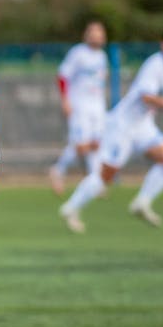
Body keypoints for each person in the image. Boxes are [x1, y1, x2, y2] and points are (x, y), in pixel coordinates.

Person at [59, 28, 163, 233]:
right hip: (122, 126)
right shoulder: (155, 64)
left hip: (143, 125)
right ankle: (70, 208)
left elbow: (161, 96)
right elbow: (147, 97)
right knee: (105, 175)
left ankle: (142, 202)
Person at [49, 20, 109, 195]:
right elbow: (62, 76)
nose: (96, 36)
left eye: (99, 32)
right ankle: (58, 170)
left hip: (97, 106)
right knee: (81, 145)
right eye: (93, 32)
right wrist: (65, 100)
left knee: (96, 144)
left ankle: (95, 181)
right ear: (86, 35)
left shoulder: (102, 56)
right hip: (79, 105)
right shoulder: (78, 53)